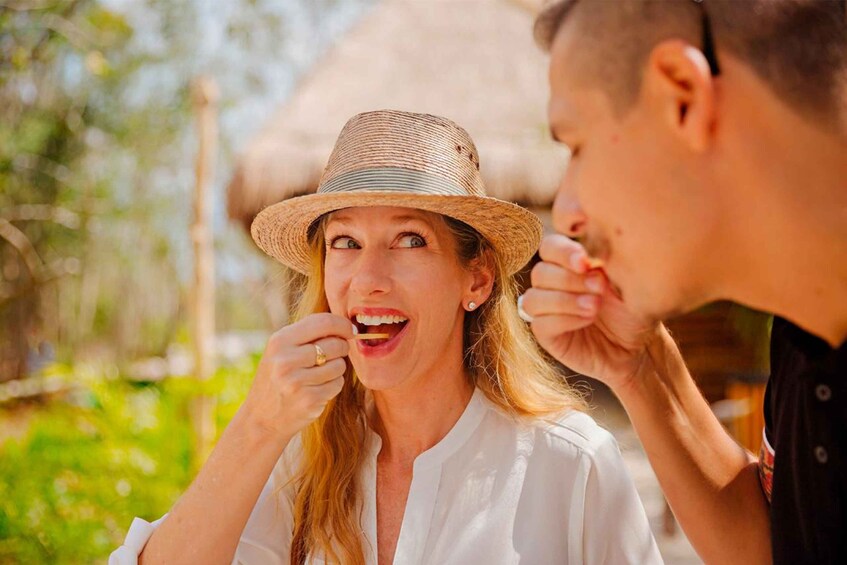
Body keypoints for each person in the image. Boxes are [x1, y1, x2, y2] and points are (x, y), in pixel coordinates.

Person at [111, 110, 661, 565]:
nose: (367, 279)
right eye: (345, 242)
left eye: (409, 239)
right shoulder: (296, 463)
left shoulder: (572, 465)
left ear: (477, 277)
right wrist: (258, 423)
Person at [519, 1, 847, 563]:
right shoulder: (804, 337)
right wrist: (639, 367)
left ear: (682, 95)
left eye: (576, 145)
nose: (568, 212)